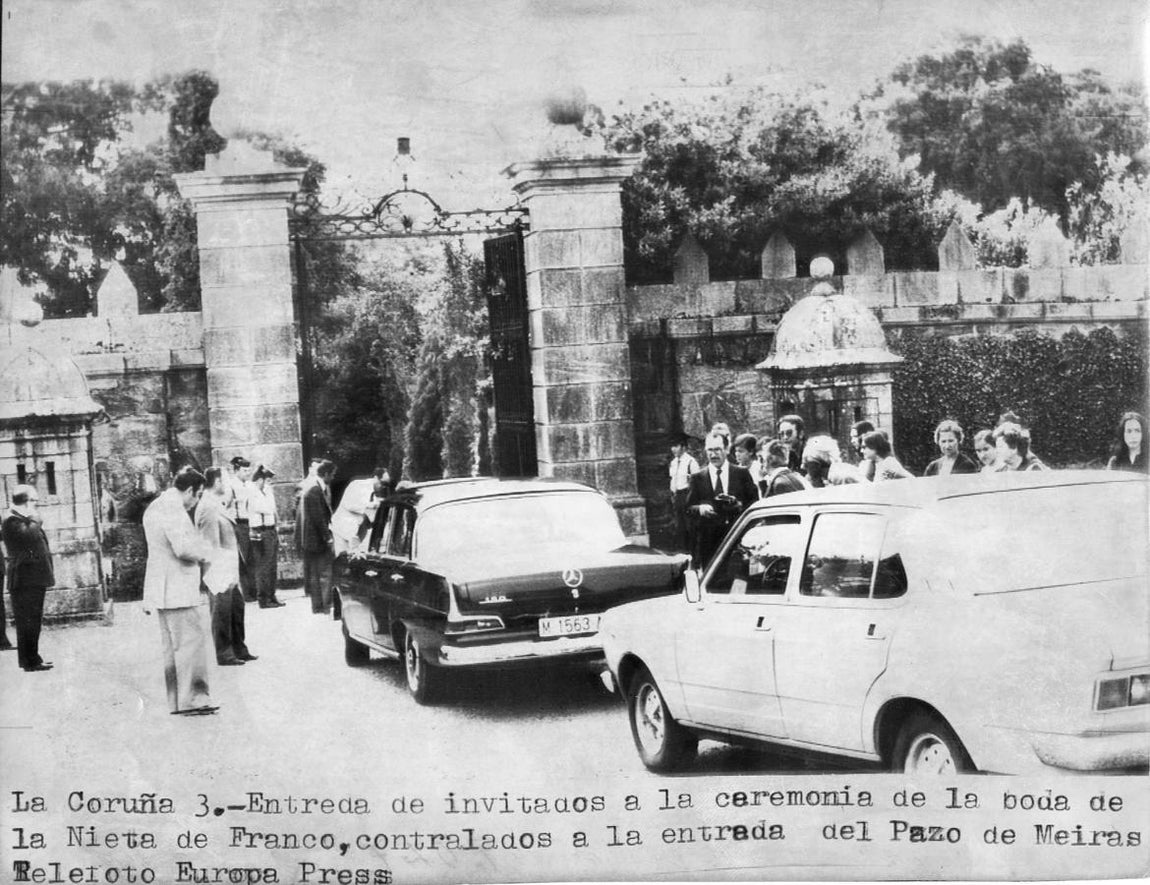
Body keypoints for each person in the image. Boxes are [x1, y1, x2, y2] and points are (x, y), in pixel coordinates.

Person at [142, 468, 217, 715]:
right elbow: (183, 548)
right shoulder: (173, 508)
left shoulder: (158, 505)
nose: (195, 503)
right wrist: (208, 552)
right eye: (196, 496)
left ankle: (178, 701)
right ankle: (195, 700)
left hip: (164, 587)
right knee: (191, 645)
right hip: (178, 586)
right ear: (189, 490)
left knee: (174, 650)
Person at [196, 467, 256, 666]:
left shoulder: (216, 503)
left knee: (236, 608)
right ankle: (224, 653)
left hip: (229, 567)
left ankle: (239, 648)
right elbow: (208, 544)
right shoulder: (207, 505)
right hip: (219, 568)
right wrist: (217, 573)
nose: (229, 485)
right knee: (221, 612)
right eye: (226, 481)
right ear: (217, 482)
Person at [684, 433, 757, 567]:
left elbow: (754, 503)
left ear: (727, 449)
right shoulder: (698, 478)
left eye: (717, 449)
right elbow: (688, 508)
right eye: (710, 450)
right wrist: (700, 509)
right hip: (709, 545)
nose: (713, 454)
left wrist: (739, 505)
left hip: (737, 541)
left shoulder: (741, 474)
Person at [2, 485, 54, 671]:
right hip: (24, 578)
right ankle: (29, 661)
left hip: (33, 578)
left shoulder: (22, 519)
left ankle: (32, 658)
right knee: (27, 621)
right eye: (33, 501)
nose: (35, 505)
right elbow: (29, 536)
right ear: (25, 501)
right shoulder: (11, 520)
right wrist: (34, 516)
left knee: (33, 619)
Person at [300, 459, 336, 615]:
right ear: (326, 474)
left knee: (315, 574)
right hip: (317, 541)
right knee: (325, 573)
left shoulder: (314, 490)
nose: (333, 478)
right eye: (332, 475)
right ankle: (325, 605)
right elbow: (319, 518)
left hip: (312, 541)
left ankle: (318, 606)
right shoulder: (315, 491)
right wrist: (328, 538)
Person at [247, 465, 284, 608]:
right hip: (260, 531)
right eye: (267, 480)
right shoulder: (251, 491)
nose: (269, 484)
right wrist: (270, 507)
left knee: (272, 566)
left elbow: (273, 509)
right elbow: (265, 508)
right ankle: (264, 598)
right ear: (260, 479)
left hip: (270, 529)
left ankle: (272, 595)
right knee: (263, 566)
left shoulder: (266, 491)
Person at [225, 456, 257, 603]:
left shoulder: (249, 485)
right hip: (239, 524)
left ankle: (254, 590)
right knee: (244, 558)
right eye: (244, 470)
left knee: (253, 557)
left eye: (248, 470)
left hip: (252, 523)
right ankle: (247, 593)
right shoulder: (231, 485)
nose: (247, 473)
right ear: (237, 470)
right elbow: (224, 506)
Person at [667, 435, 699, 552]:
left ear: (684, 447)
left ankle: (692, 550)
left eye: (676, 446)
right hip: (677, 495)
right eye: (672, 446)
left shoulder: (691, 462)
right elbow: (673, 479)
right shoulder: (674, 462)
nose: (673, 449)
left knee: (689, 525)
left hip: (687, 494)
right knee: (679, 524)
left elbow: (696, 482)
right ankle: (682, 549)